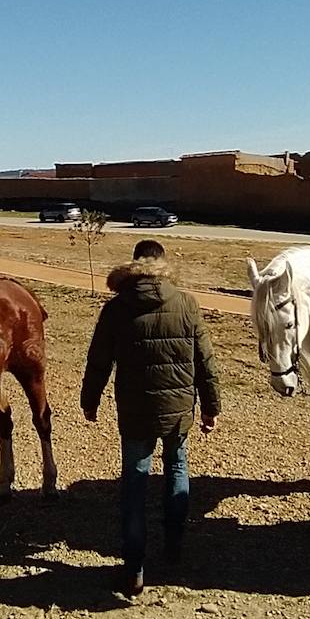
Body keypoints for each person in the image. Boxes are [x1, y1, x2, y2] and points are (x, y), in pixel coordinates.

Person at [81, 240, 221, 597]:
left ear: (135, 263)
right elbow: (204, 359)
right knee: (177, 468)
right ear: (163, 263)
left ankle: (134, 567)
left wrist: (90, 399)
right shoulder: (186, 303)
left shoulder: (116, 308)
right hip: (178, 410)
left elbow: (99, 359)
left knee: (135, 482)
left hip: (135, 409)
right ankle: (173, 545)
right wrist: (210, 406)